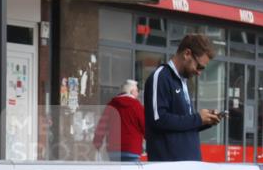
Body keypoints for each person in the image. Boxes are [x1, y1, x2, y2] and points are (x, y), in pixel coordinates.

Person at [143, 33, 222, 161]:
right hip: (169, 165)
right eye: (199, 66)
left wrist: (205, 121)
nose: (199, 72)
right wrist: (197, 119)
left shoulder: (183, 82)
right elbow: (158, 119)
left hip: (188, 164)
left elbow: (182, 124)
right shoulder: (161, 76)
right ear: (187, 54)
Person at [92, 80, 145, 162]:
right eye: (137, 91)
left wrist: (97, 143)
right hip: (132, 148)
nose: (138, 93)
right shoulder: (137, 105)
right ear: (132, 91)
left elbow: (102, 126)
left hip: (113, 149)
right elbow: (144, 126)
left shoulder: (111, 105)